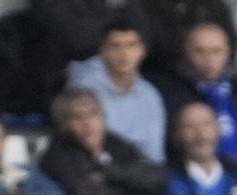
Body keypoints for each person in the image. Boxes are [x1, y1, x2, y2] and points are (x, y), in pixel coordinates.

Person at [35, 88, 164, 195]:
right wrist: (132, 186)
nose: (88, 123)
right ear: (64, 124)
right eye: (78, 117)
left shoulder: (116, 144)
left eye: (93, 115)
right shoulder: (58, 155)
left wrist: (109, 172)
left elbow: (157, 181)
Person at [69, 19, 167, 165]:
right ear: (103, 50)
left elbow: (154, 156)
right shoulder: (85, 88)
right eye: (115, 46)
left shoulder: (150, 95)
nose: (124, 53)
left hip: (139, 175)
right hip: (96, 171)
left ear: (142, 50)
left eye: (131, 45)